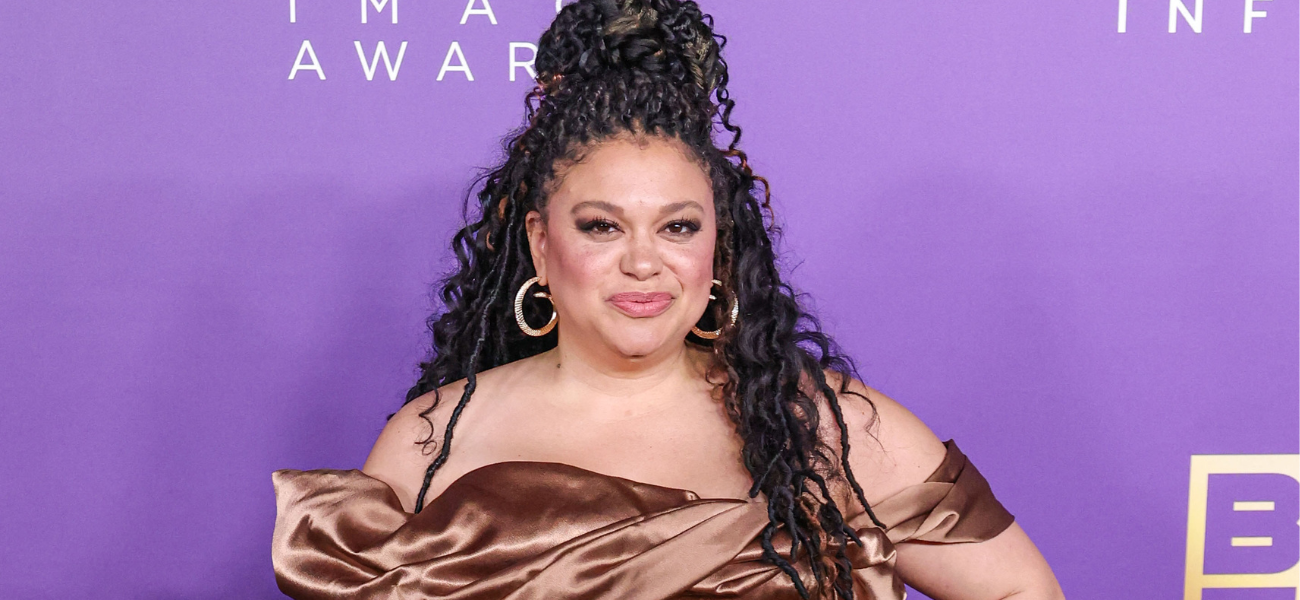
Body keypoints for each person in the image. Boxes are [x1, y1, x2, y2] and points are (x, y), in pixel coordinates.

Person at [271, 0, 1066, 598]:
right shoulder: (432, 437)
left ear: (719, 244)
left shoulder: (826, 428)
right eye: (602, 227)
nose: (644, 263)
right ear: (542, 246)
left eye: (678, 226)